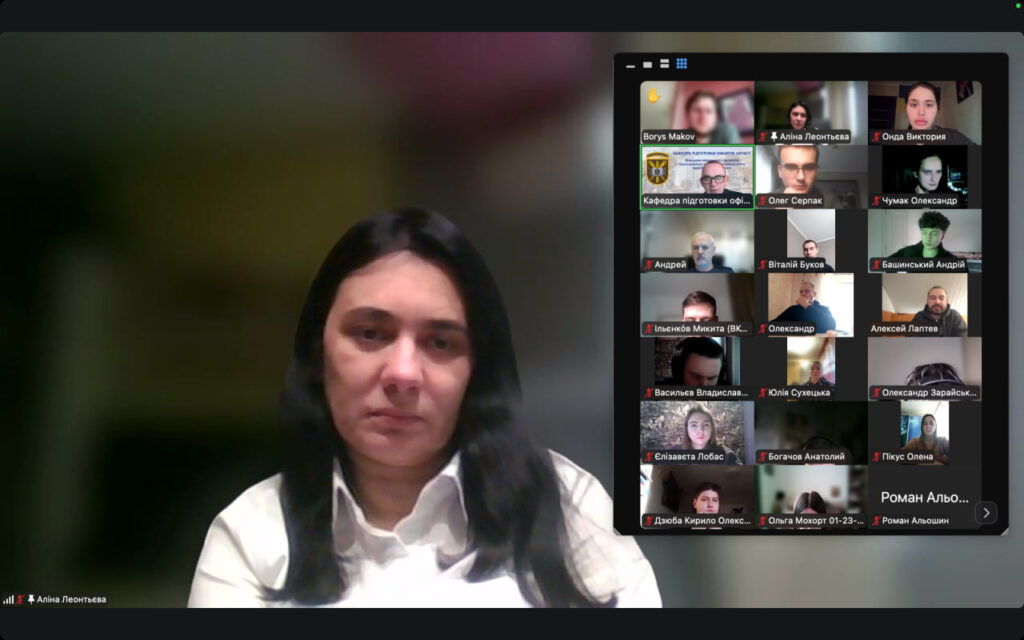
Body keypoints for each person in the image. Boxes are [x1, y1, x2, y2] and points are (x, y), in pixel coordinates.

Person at [188, 209, 661, 608]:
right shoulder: (253, 533)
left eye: (440, 342)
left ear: (477, 368)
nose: (403, 373)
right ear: (317, 351)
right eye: (370, 333)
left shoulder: (568, 508)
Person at [904, 81, 975, 145]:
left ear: (937, 109)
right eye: (914, 105)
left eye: (929, 105)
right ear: (906, 108)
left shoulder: (952, 138)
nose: (921, 112)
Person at [771, 281, 838, 335]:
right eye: (801, 292)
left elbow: (832, 325)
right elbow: (773, 325)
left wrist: (807, 306)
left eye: (807, 291)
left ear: (814, 294)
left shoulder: (824, 309)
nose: (803, 294)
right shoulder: (792, 309)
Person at [888, 210, 957, 259]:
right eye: (924, 233)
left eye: (934, 234)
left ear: (942, 235)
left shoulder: (951, 259)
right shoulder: (907, 251)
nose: (928, 238)